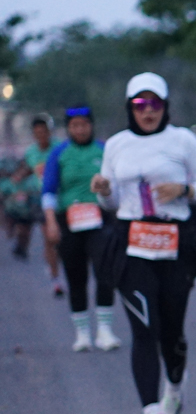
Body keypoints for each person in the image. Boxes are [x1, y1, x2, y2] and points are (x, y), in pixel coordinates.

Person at [91, 74, 196, 414]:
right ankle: (150, 412)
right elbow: (111, 201)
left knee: (171, 329)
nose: (148, 111)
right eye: (140, 105)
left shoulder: (182, 140)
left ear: (166, 106)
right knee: (143, 328)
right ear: (129, 108)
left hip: (175, 242)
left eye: (155, 104)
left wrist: (184, 189)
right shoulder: (117, 144)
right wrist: (103, 191)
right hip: (132, 243)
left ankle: (174, 391)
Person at [40, 105, 118, 352]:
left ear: (91, 126)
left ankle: (104, 330)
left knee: (105, 272)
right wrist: (51, 222)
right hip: (69, 220)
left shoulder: (104, 150)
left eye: (84, 125)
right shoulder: (59, 153)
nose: (80, 130)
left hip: (100, 218)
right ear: (68, 129)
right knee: (76, 276)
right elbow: (49, 190)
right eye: (75, 126)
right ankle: (82, 333)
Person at [23, 114, 63, 293]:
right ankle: (55, 279)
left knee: (63, 239)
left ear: (49, 132)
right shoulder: (30, 153)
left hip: (61, 199)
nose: (41, 136)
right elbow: (27, 170)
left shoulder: (60, 148)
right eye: (37, 133)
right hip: (41, 200)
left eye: (43, 132)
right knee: (49, 238)